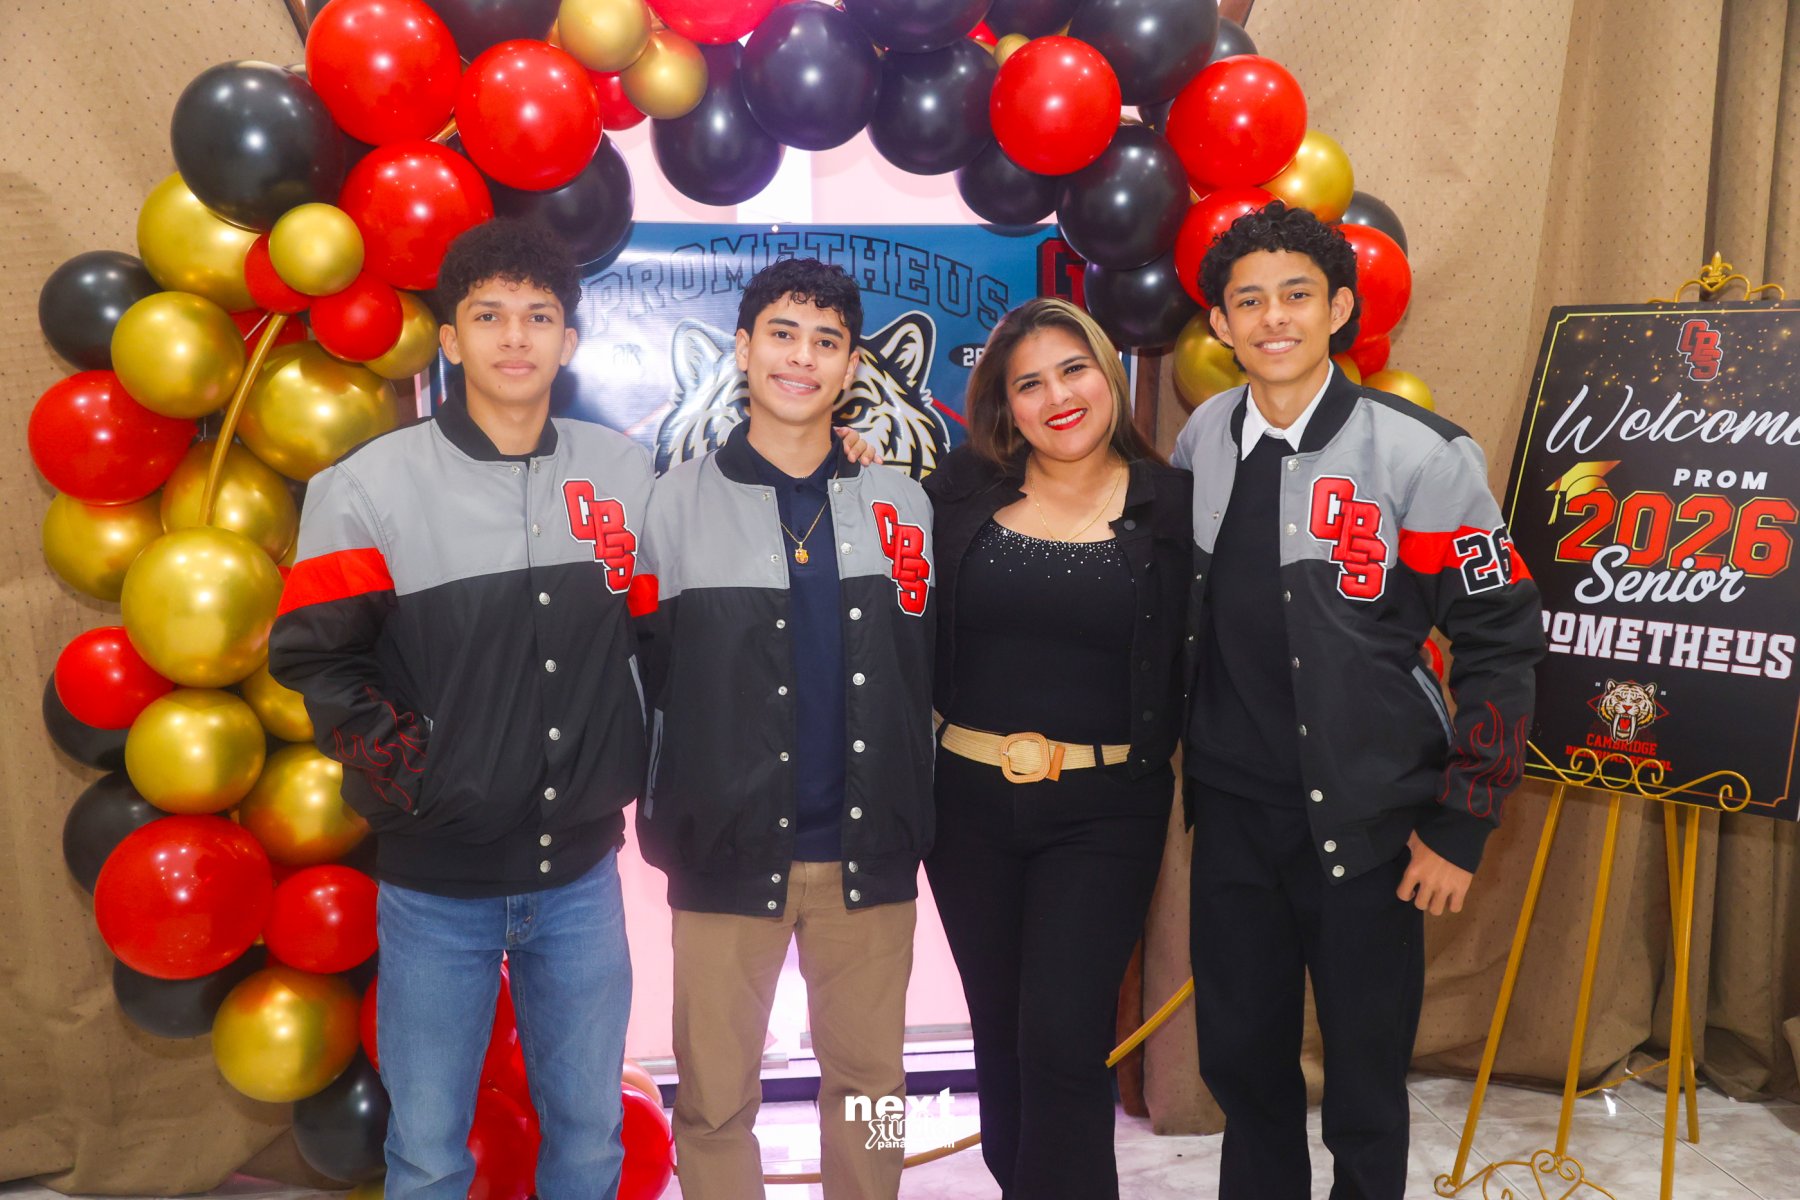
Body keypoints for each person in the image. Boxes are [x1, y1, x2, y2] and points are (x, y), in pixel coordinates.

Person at [269, 219, 652, 1200]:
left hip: (581, 879)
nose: (515, 336)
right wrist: (418, 778)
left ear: (569, 340)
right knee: (429, 1150)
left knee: (591, 1138)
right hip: (435, 888)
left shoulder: (625, 474)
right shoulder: (365, 487)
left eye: (538, 315)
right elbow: (317, 658)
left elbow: (670, 630)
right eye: (488, 316)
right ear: (449, 338)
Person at [1173, 200, 1544, 1199]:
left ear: (1339, 308)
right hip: (1233, 817)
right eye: (1248, 301)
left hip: (1373, 822)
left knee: (1366, 1081)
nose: (1273, 318)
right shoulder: (1203, 438)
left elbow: (1502, 640)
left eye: (1296, 295)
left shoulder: (1424, 455)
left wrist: (1463, 823)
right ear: (1220, 324)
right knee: (1241, 1065)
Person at [632, 257, 937, 1200]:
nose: (802, 358)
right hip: (723, 852)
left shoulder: (901, 501)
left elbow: (929, 671)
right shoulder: (669, 505)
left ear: (850, 366)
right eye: (782, 335)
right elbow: (641, 675)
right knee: (714, 1102)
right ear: (742, 349)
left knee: (877, 1091)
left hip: (869, 854)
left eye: (826, 341)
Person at [921, 297, 1191, 1200]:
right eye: (1029, 383)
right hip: (964, 809)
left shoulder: (1174, 508)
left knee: (1064, 1041)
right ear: (1006, 405)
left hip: (1106, 814)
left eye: (1074, 370)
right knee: (999, 1037)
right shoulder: (956, 491)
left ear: (1109, 375)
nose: (1057, 397)